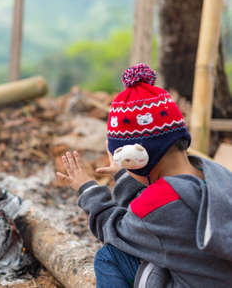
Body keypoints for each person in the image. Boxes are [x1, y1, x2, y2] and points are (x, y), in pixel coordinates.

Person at [56, 63, 232, 288]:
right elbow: (152, 214)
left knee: (110, 255)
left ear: (136, 158)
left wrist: (87, 188)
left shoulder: (158, 204)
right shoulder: (217, 175)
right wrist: (124, 176)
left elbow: (113, 229)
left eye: (122, 160)